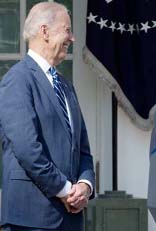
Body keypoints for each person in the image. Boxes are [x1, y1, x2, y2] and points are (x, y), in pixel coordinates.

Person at [0, 2, 95, 231]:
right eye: (67, 30)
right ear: (44, 31)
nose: (72, 38)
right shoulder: (18, 80)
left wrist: (85, 185)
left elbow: (82, 149)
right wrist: (64, 189)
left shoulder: (66, 87)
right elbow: (27, 149)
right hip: (31, 219)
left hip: (70, 219)